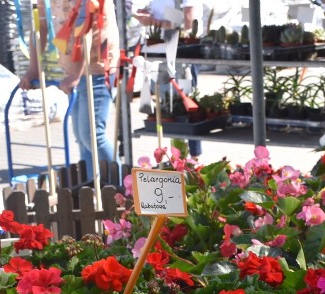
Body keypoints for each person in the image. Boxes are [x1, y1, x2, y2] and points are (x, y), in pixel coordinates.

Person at [20, 0, 120, 181]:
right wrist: (33, 67)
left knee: (92, 135)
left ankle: (119, 187)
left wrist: (75, 74)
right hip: (74, 69)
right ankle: (94, 186)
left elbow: (87, 26)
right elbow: (40, 26)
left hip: (97, 67)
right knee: (82, 138)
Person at [134, 0, 203, 159]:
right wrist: (147, 14)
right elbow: (169, 15)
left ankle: (193, 160)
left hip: (180, 59)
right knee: (168, 112)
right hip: (160, 56)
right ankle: (180, 159)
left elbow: (186, 23)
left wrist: (152, 21)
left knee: (184, 110)